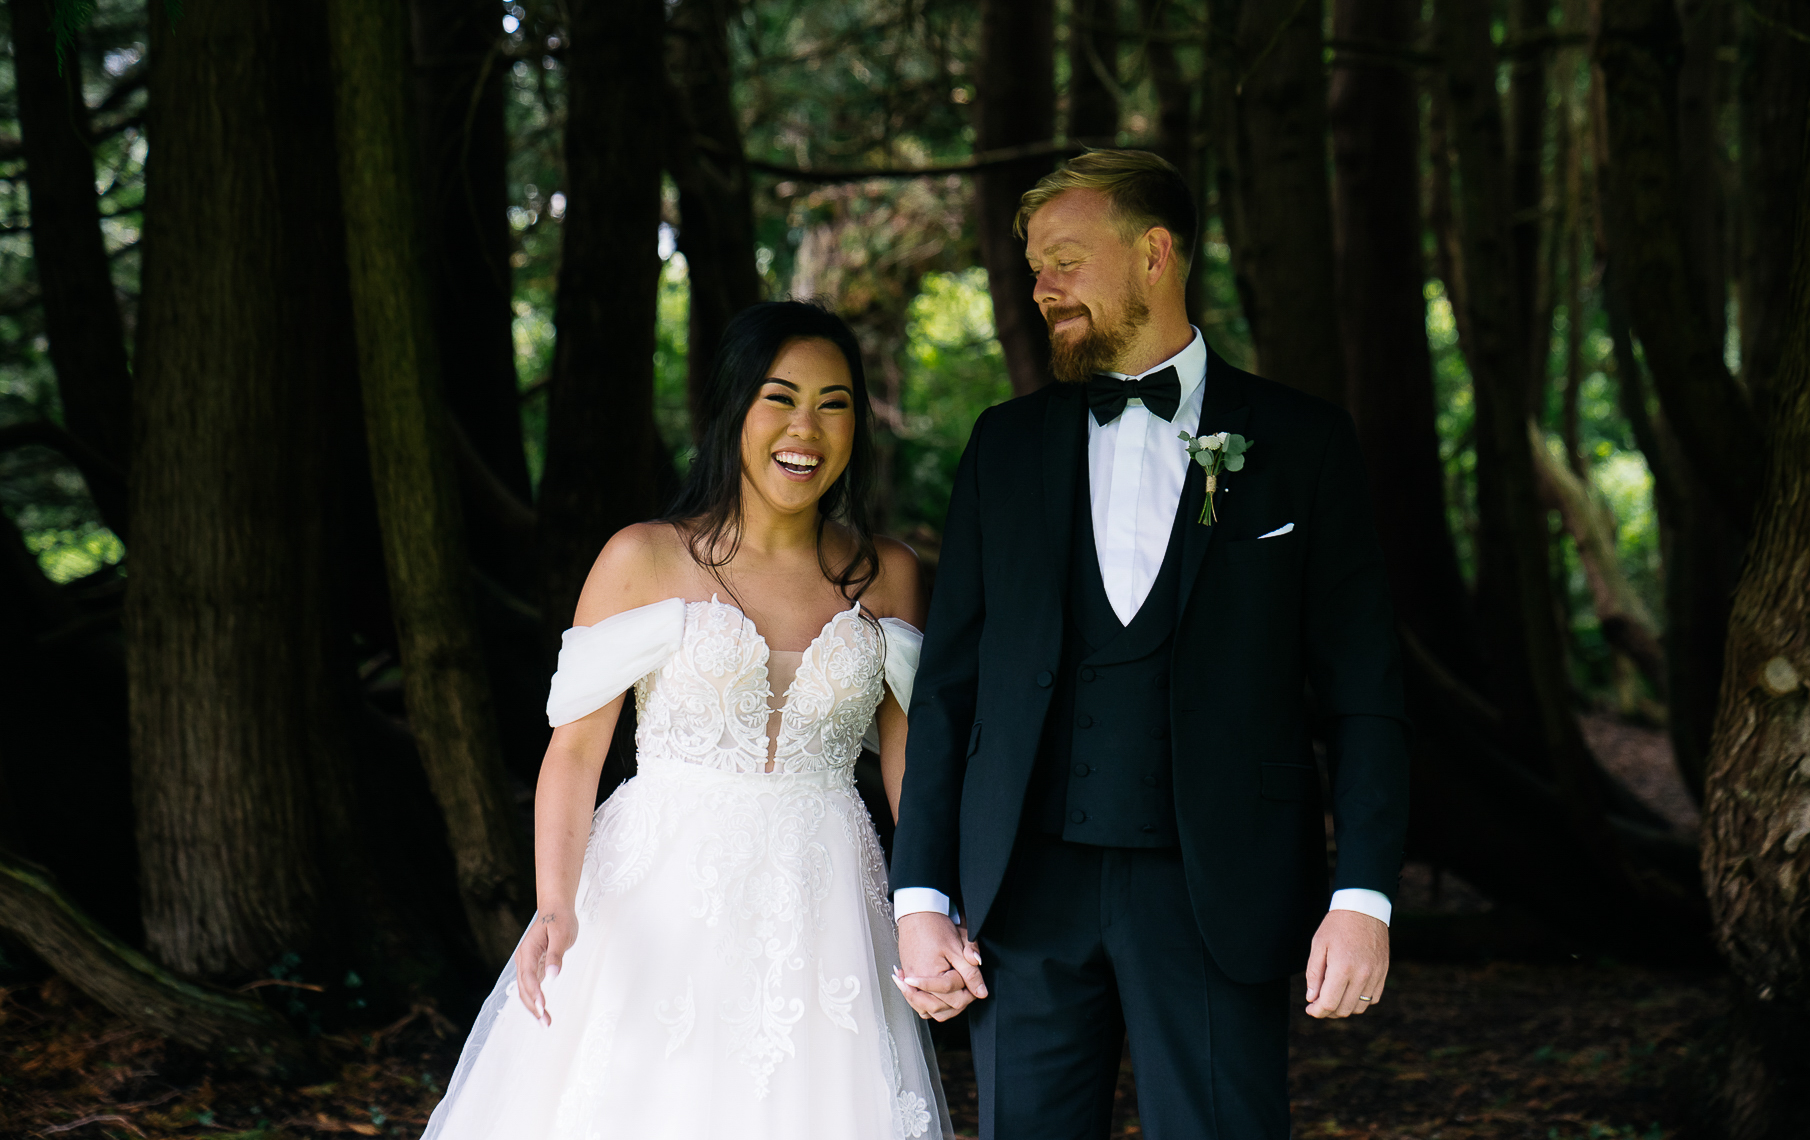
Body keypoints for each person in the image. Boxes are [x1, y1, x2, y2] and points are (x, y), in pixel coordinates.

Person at [888, 150, 1410, 1139]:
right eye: (1036, 264)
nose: (1041, 286)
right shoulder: (1003, 445)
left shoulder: (1302, 442)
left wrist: (1365, 891)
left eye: (1066, 260)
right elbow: (949, 689)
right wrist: (922, 889)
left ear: (1156, 254)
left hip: (1221, 892)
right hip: (1024, 897)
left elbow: (1365, 691)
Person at [424, 301, 952, 1140]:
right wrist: (555, 905)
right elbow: (574, 753)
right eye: (780, 397)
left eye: (834, 401)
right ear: (733, 409)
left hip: (827, 907)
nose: (805, 428)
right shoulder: (644, 557)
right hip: (660, 894)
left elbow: (910, 763)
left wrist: (931, 903)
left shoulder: (885, 574)